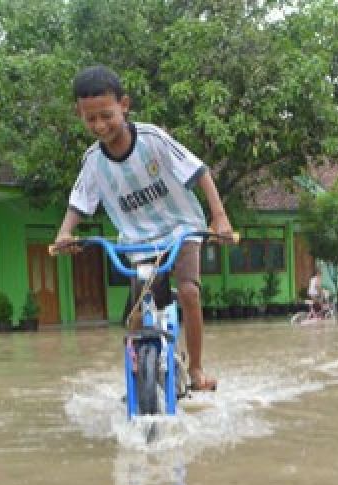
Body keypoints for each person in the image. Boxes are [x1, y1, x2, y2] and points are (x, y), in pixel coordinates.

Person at [53, 65, 232, 391]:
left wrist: (218, 217)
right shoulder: (93, 161)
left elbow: (199, 171)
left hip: (181, 228)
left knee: (189, 292)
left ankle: (196, 370)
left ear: (124, 105)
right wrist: (64, 233)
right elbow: (79, 202)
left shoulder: (152, 140)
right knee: (138, 311)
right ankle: (138, 379)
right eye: (89, 119)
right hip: (137, 241)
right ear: (79, 115)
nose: (99, 125)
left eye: (106, 115)